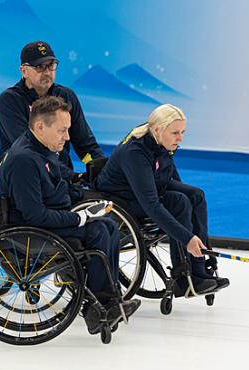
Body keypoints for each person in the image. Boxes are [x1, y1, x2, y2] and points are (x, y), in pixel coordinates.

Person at [0, 96, 140, 334]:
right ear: (40, 126)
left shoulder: (40, 148)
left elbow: (57, 178)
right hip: (30, 233)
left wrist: (83, 196)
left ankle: (108, 299)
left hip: (47, 218)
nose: (67, 137)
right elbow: (35, 216)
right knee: (98, 230)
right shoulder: (24, 161)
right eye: (62, 130)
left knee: (110, 226)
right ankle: (99, 306)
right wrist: (80, 218)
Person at [95, 104, 229, 295]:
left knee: (196, 196)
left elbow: (169, 172)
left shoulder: (160, 137)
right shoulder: (135, 152)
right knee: (179, 203)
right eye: (175, 133)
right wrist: (186, 237)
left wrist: (190, 212)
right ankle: (183, 276)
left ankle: (198, 270)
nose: (180, 138)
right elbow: (151, 204)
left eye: (182, 132)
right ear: (157, 130)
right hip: (122, 199)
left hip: (152, 182)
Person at [0, 41, 104, 172]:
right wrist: (69, 176)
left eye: (51, 65)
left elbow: (85, 144)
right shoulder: (9, 100)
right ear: (24, 71)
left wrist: (101, 170)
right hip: (22, 173)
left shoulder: (66, 96)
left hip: (61, 176)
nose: (47, 72)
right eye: (39, 67)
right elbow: (28, 150)